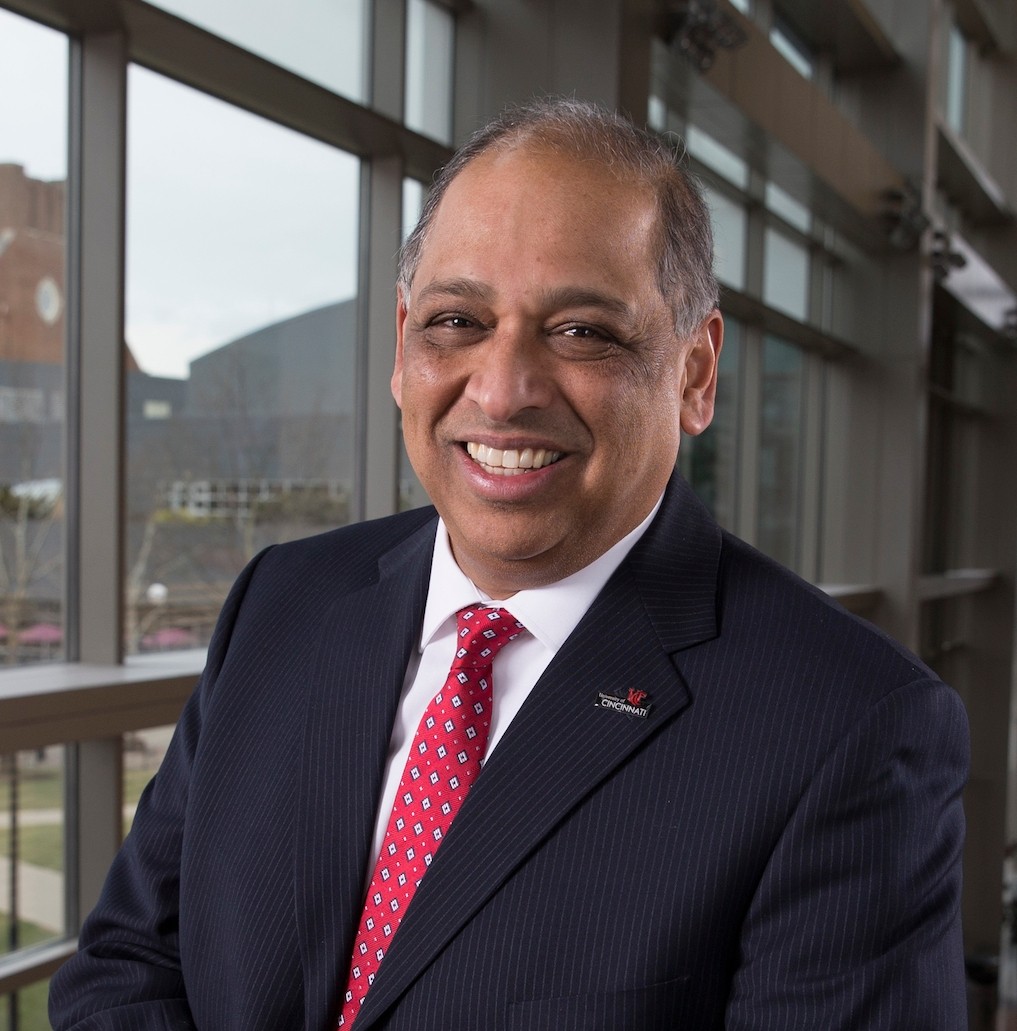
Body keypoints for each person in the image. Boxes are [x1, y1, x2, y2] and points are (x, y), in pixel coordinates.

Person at [50, 98, 968, 1030]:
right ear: (404, 347)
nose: (501, 389)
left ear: (694, 373)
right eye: (457, 320)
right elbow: (127, 961)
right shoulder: (283, 600)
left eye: (581, 333)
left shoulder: (847, 726)